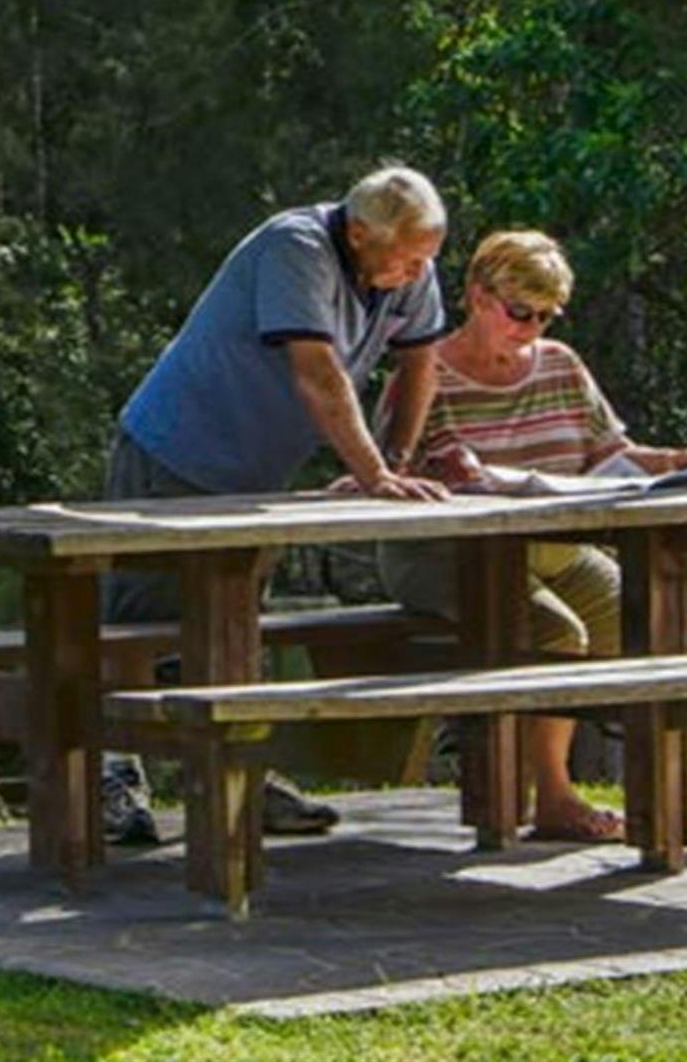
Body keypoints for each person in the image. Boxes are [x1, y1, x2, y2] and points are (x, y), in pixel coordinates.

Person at [100, 164, 453, 845]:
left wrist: (394, 464)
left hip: (255, 475)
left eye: (426, 258)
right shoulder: (296, 248)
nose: (417, 273)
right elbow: (316, 371)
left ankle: (240, 770)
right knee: (136, 619)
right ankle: (115, 776)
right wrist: (373, 473)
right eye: (407, 258)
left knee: (237, 618)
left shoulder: (410, 266)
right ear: (357, 235)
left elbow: (420, 364)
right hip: (175, 451)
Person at [372, 228, 687, 843]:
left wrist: (669, 463)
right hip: (446, 554)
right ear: (478, 297)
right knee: (556, 632)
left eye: (545, 315)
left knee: (648, 614)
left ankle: (662, 793)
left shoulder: (561, 365)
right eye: (519, 312)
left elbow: (610, 451)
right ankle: (552, 797)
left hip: (553, 544)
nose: (531, 327)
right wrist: (438, 476)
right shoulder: (427, 373)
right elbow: (384, 474)